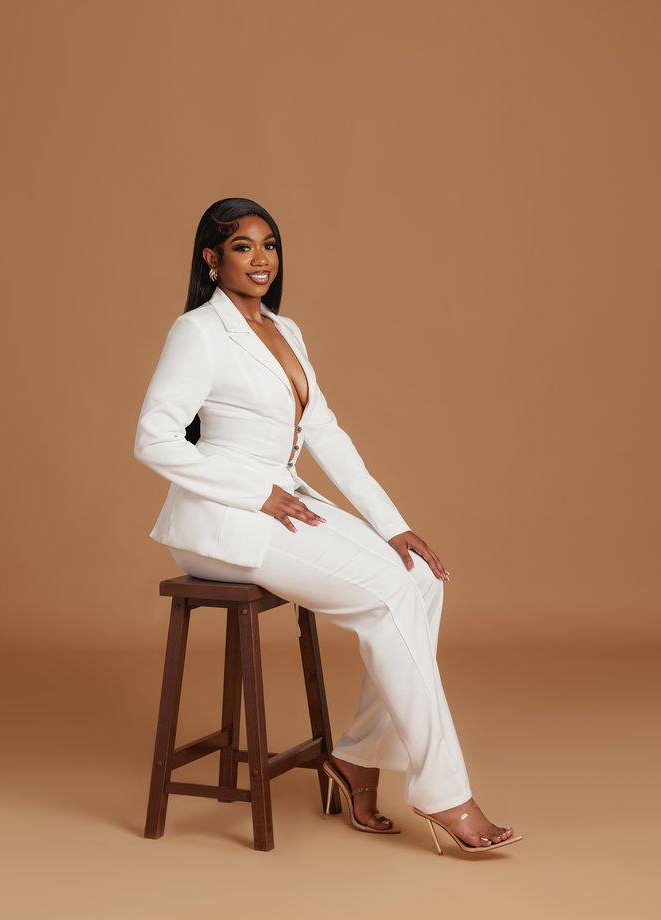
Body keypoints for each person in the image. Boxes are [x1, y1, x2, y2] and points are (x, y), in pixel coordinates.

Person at [134, 197, 522, 854]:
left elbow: (327, 434)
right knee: (392, 596)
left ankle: (359, 760)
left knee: (418, 580)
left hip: (284, 502)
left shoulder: (287, 330)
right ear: (211, 258)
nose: (261, 260)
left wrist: (393, 526)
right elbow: (153, 439)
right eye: (243, 247)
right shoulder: (196, 331)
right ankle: (445, 794)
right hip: (220, 525)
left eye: (270, 246)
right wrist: (256, 492)